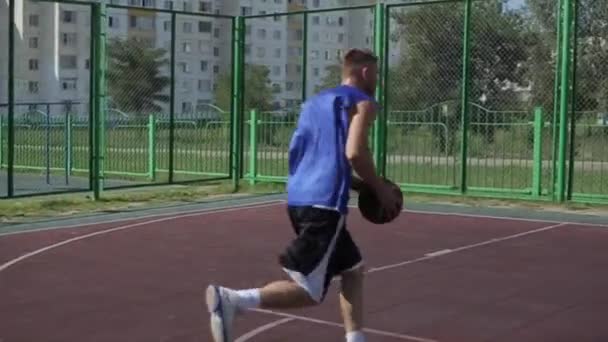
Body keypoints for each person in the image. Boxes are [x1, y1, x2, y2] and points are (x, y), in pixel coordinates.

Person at [205, 48, 401, 342]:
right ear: (364, 72)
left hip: (299, 197)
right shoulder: (364, 101)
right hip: (325, 205)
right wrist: (380, 188)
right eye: (376, 72)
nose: (377, 79)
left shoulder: (314, 103)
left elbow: (319, 156)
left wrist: (362, 186)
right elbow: (354, 152)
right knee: (309, 292)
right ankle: (232, 299)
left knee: (353, 270)